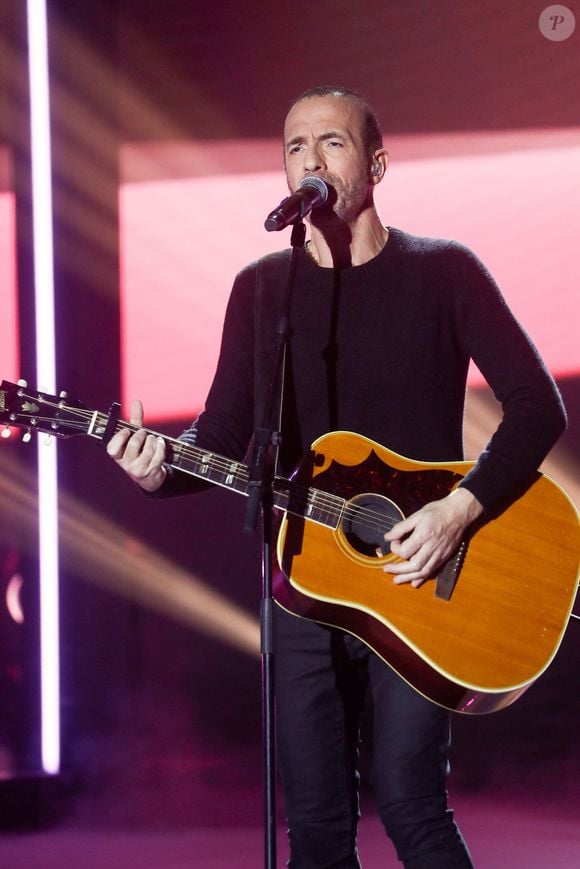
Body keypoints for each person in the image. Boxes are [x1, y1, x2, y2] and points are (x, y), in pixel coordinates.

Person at [107, 86, 566, 867]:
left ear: (378, 163)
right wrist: (158, 472)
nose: (309, 159)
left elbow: (537, 406)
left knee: (412, 801)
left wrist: (459, 510)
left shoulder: (445, 272)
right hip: (304, 581)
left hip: (424, 578)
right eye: (293, 147)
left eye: (332, 143)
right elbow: (225, 438)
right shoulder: (263, 288)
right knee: (316, 826)